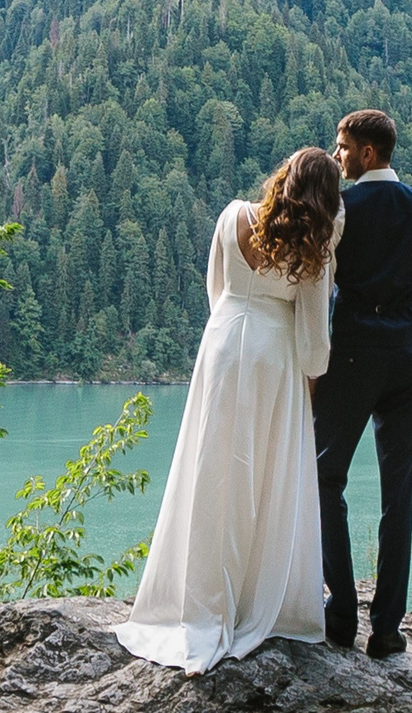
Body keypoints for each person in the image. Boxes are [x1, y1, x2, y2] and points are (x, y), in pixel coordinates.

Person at [114, 147, 345, 674]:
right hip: (273, 357)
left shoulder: (234, 215)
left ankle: (199, 601)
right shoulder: (316, 247)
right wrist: (312, 380)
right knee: (263, 478)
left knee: (215, 472)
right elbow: (314, 337)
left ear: (282, 179)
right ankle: (249, 602)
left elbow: (216, 288)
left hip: (222, 345)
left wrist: (233, 320)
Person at [313, 108, 412, 658]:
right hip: (404, 361)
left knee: (326, 478)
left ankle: (341, 613)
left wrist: (313, 365)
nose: (338, 155)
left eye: (343, 146)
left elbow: (323, 290)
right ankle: (387, 629)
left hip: (350, 360)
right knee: (400, 494)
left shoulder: (342, 209)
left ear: (367, 152)